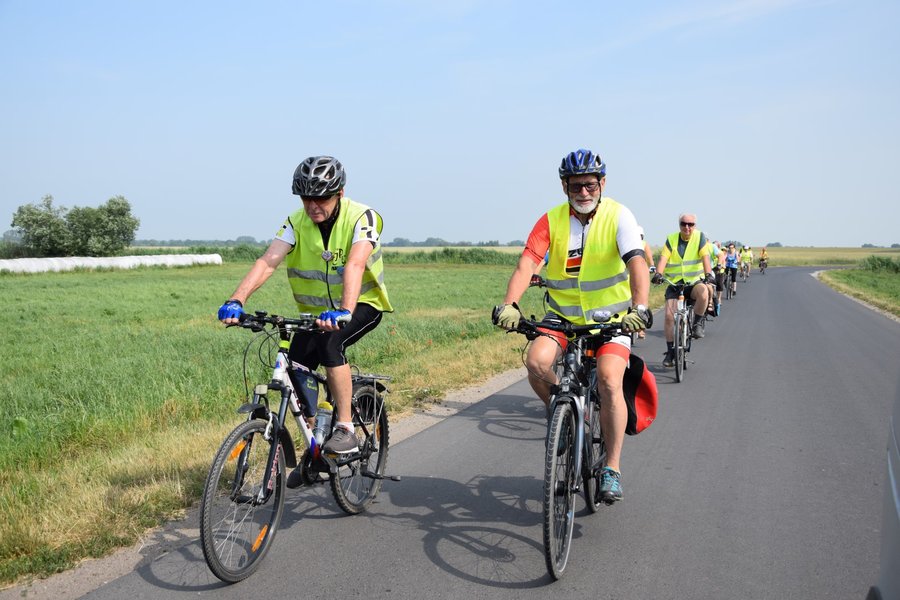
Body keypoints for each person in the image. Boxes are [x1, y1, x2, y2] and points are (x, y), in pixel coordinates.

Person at [217, 155, 392, 486]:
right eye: (306, 197)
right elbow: (268, 261)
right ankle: (316, 446)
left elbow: (355, 264)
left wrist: (344, 310)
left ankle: (345, 427)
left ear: (339, 193)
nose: (313, 205)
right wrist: (237, 299)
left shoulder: (363, 217)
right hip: (316, 315)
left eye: (321, 198)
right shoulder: (295, 222)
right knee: (294, 364)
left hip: (361, 305)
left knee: (331, 345)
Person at [492, 148, 651, 503]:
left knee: (609, 380)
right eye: (575, 185)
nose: (583, 192)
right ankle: (562, 414)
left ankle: (611, 468)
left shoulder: (619, 216)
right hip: (562, 316)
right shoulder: (551, 220)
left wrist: (640, 308)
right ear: (564, 186)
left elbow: (637, 263)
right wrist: (510, 305)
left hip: (612, 319)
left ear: (602, 183)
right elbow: (527, 264)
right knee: (536, 361)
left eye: (589, 185)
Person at [652, 213, 713, 367]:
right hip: (674, 284)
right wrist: (658, 274)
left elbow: (705, 257)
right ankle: (670, 351)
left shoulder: (699, 237)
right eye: (683, 224)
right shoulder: (671, 239)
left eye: (690, 224)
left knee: (704, 292)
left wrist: (708, 274)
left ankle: (697, 324)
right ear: (679, 224)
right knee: (668, 316)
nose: (687, 227)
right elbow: (663, 258)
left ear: (695, 226)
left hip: (693, 282)